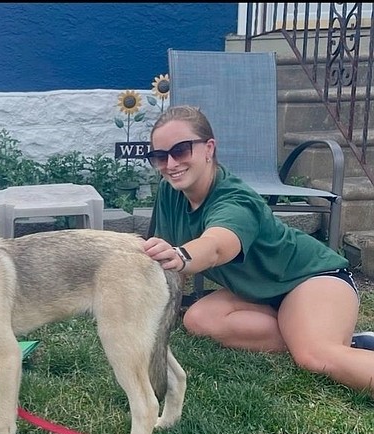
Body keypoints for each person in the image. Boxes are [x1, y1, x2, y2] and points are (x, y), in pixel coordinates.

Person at [142, 105, 374, 395]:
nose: (171, 163)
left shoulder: (236, 199)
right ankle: (325, 334)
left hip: (313, 278)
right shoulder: (170, 192)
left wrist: (182, 255)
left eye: (181, 150)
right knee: (198, 319)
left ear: (208, 148)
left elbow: (215, 246)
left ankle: (320, 338)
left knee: (315, 356)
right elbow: (165, 260)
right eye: (159, 156)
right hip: (262, 293)